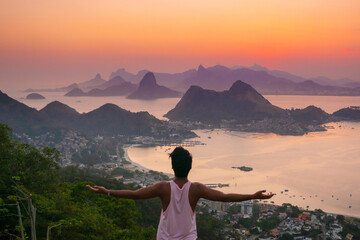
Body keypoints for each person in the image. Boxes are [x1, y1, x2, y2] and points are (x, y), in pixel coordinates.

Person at [87, 146, 274, 240]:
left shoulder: (163, 187)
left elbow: (135, 194)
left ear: (172, 166)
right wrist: (253, 195)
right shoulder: (196, 189)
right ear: (190, 167)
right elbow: (225, 197)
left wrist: (108, 192)